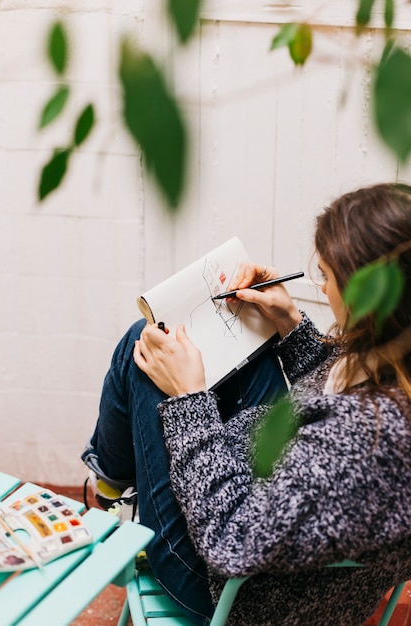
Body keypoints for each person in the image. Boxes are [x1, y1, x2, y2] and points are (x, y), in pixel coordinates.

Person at [82, 183, 411, 626]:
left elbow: (233, 540)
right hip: (281, 535)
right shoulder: (392, 370)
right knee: (244, 347)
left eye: (328, 277)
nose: (322, 286)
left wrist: (190, 401)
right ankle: (113, 482)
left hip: (235, 594)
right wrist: (289, 322)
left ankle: (109, 489)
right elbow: (334, 395)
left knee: (141, 349)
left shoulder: (360, 440)